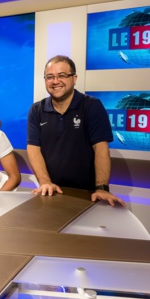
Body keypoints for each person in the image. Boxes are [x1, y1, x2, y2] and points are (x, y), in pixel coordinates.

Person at [26, 55, 126, 207]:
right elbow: (33, 148)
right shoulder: (37, 110)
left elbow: (100, 148)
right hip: (51, 192)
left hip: (87, 194)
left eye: (62, 76)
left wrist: (102, 188)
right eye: (49, 77)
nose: (55, 81)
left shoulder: (92, 106)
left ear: (74, 78)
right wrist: (45, 182)